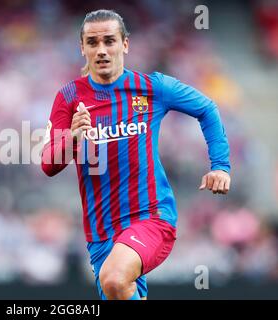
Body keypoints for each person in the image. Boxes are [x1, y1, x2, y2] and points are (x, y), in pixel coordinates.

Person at [41, 9, 231, 300]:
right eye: (92, 43)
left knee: (115, 279)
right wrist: (74, 137)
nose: (102, 50)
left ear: (125, 44)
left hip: (151, 218)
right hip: (101, 234)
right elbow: (48, 164)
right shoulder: (69, 98)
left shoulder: (152, 87)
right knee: (117, 287)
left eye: (109, 41)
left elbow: (207, 109)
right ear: (82, 48)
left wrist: (220, 166)